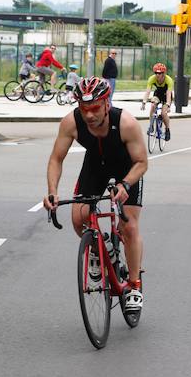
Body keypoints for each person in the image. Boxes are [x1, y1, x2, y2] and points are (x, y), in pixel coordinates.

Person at [43, 76, 148, 314]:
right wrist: (52, 191)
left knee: (129, 227)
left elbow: (142, 162)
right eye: (84, 108)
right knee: (78, 218)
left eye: (95, 108)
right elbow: (56, 159)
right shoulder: (71, 122)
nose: (89, 115)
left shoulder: (126, 123)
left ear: (106, 104)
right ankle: (102, 249)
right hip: (95, 166)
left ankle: (133, 285)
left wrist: (125, 185)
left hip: (126, 168)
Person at [141, 63, 173, 141]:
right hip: (158, 94)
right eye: (156, 73)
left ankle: (167, 129)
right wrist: (144, 102)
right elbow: (148, 91)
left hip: (166, 95)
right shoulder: (152, 79)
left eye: (159, 73)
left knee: (163, 113)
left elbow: (169, 94)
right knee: (152, 105)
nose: (157, 75)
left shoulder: (169, 80)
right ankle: (151, 125)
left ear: (163, 73)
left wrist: (168, 105)